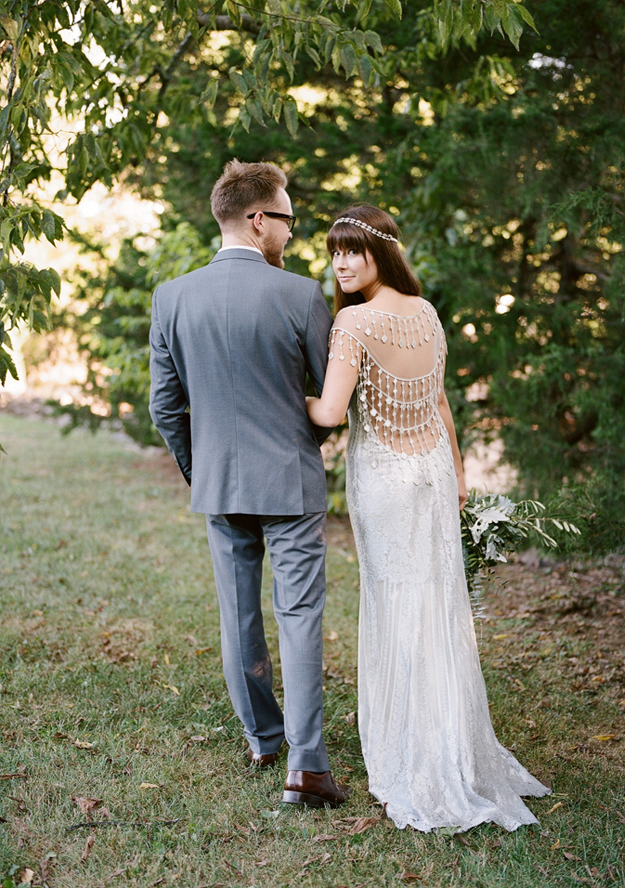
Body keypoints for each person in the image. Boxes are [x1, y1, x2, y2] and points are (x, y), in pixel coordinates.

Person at [307, 206, 550, 831]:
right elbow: (440, 400)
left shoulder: (354, 322)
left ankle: (414, 754)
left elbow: (331, 414)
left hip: (386, 479)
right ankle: (450, 744)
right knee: (438, 605)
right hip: (436, 472)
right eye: (335, 251)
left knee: (397, 604)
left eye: (353, 250)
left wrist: (280, 390)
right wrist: (462, 472)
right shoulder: (426, 312)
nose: (341, 262)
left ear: (380, 253)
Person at [149, 160, 348, 809]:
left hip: (219, 484)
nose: (291, 233)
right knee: (299, 617)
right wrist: (301, 446)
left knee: (239, 619)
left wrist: (199, 464)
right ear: (259, 219)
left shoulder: (172, 296)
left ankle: (264, 740)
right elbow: (328, 396)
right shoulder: (301, 295)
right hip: (289, 483)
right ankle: (308, 766)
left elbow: (164, 406)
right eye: (287, 219)